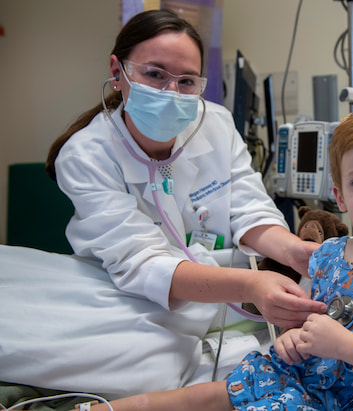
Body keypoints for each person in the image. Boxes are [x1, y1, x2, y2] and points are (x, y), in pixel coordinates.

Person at [82, 109, 353, 410]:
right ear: (339, 196)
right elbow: (310, 322)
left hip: (335, 400)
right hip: (297, 372)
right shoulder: (329, 256)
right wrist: (293, 338)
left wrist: (341, 345)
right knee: (205, 395)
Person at [45, 8, 326, 330]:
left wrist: (294, 252)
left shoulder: (215, 123)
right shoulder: (86, 155)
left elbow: (250, 210)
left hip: (221, 285)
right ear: (117, 72)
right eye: (155, 74)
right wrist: (250, 286)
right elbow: (143, 263)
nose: (171, 93)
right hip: (131, 297)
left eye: (187, 81)